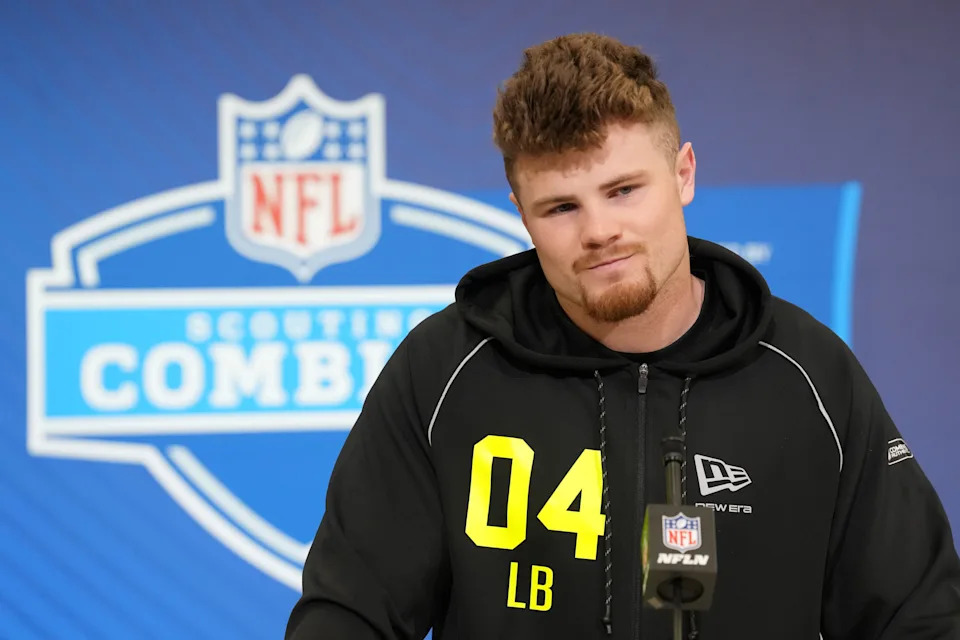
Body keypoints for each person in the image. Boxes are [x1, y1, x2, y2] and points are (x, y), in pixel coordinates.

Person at [285, 33, 960, 639]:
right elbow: (348, 614)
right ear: (521, 215)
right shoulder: (445, 372)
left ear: (684, 174)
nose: (599, 230)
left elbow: (919, 616)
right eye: (561, 207)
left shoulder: (807, 373)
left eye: (624, 190)